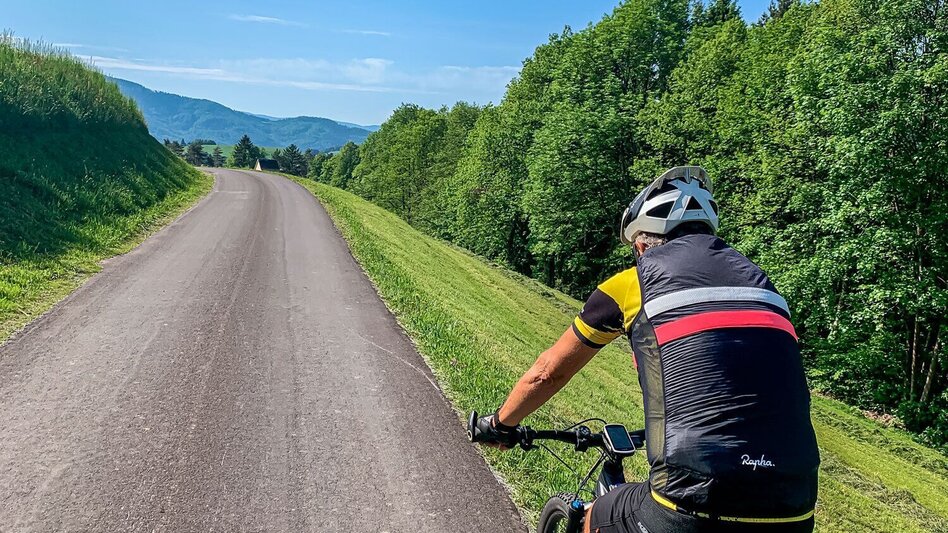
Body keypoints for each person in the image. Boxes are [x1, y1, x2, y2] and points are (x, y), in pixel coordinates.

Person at [474, 166, 820, 533]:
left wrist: (499, 424)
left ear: (642, 243)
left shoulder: (633, 283)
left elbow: (549, 372)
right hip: (794, 506)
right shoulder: (765, 289)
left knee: (594, 517)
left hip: (691, 498)